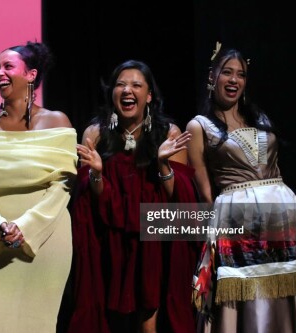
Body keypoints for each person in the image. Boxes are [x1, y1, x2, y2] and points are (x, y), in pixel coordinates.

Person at [187, 44, 296, 332]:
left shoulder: (259, 117)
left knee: (292, 284)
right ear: (212, 76)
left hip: (284, 212)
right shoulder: (200, 126)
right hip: (238, 218)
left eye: (241, 74)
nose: (234, 80)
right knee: (253, 294)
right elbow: (205, 192)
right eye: (227, 73)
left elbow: (276, 170)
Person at [68, 60, 198, 333]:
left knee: (149, 322)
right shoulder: (96, 133)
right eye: (120, 84)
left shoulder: (169, 134)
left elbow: (181, 203)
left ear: (149, 95)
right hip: (110, 239)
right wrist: (96, 174)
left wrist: (163, 165)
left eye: (136, 85)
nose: (127, 90)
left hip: (155, 242)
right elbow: (89, 202)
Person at [0, 41, 77, 332]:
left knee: (37, 324)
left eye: (7, 67)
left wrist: (25, 226)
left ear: (31, 75)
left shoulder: (56, 121)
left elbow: (63, 185)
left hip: (47, 238)